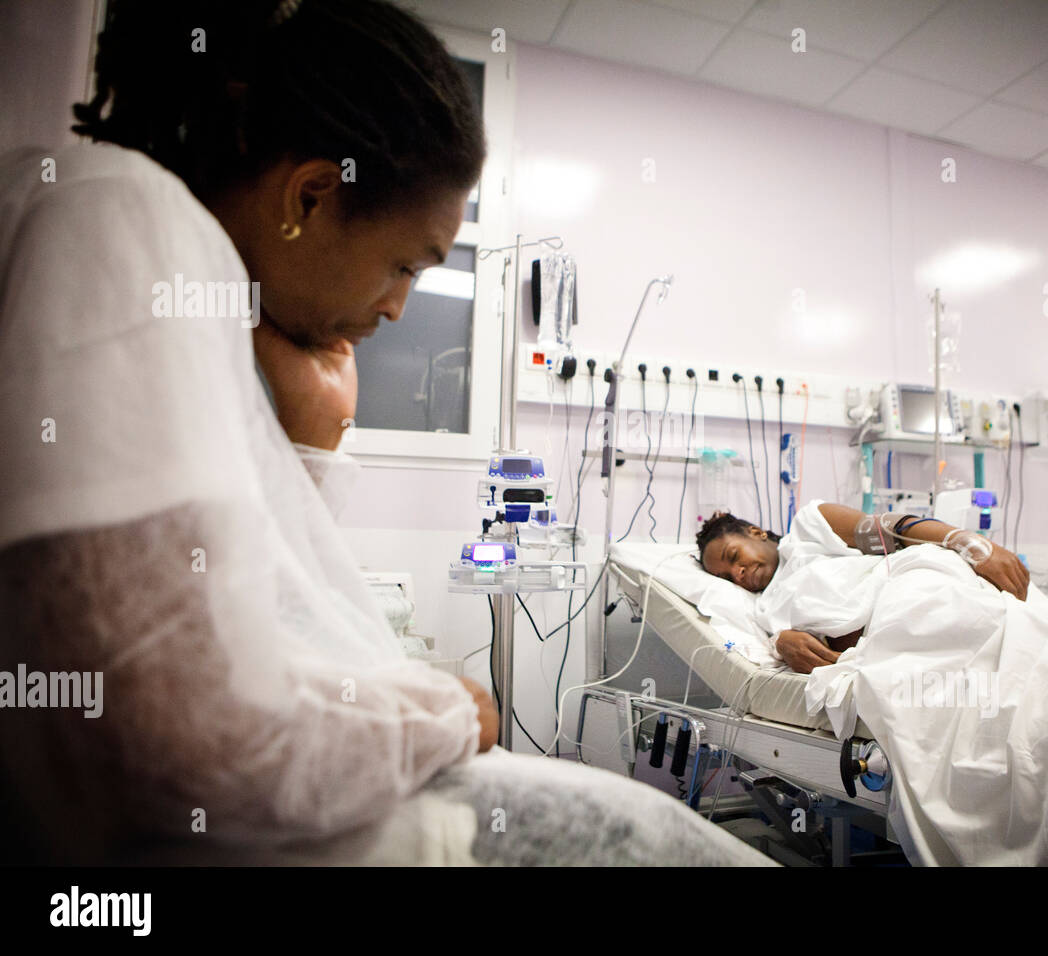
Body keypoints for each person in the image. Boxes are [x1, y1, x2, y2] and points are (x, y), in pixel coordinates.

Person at [0, 0, 769, 866]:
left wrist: (308, 438)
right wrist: (443, 710)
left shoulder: (139, 239)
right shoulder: (125, 217)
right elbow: (166, 738)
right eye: (404, 263)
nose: (400, 307)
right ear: (312, 192)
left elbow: (239, 607)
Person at [697, 503, 1048, 673]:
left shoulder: (807, 530)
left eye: (735, 557)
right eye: (727, 576)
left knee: (1035, 649)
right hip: (890, 646)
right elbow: (808, 648)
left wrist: (969, 543)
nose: (739, 575)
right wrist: (782, 643)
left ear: (754, 532)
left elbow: (891, 530)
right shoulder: (763, 614)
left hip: (913, 587)